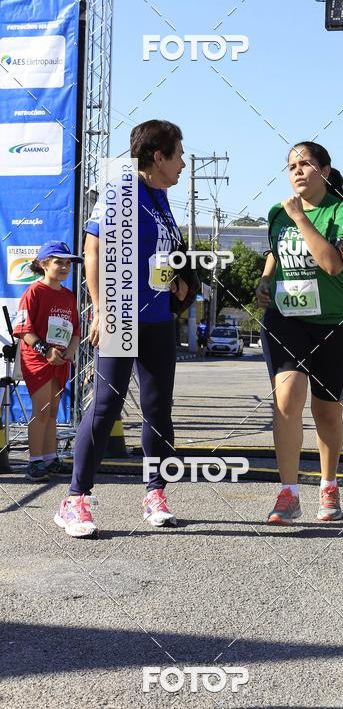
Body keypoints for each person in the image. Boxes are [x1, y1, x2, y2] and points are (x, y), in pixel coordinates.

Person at [54, 120, 188, 538]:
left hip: (158, 318)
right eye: (179, 154)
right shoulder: (120, 191)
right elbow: (93, 249)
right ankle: (75, 499)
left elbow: (166, 254)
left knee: (157, 409)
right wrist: (101, 308)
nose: (184, 163)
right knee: (106, 407)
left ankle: (155, 492)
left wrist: (182, 280)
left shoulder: (162, 197)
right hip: (122, 315)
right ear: (158, 156)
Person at [257, 141, 343, 525]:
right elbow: (275, 251)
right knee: (286, 400)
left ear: (325, 171)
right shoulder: (276, 213)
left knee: (326, 412)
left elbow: (333, 265)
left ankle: (329, 484)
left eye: (306, 164)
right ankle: (288, 492)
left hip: (333, 323)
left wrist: (301, 219)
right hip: (286, 319)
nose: (297, 171)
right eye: (291, 166)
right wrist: (265, 279)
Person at [13, 242, 82, 481]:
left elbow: (75, 330)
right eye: (58, 262)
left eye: (67, 263)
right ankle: (34, 463)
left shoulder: (68, 295)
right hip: (39, 360)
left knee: (53, 412)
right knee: (41, 411)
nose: (64, 267)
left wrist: (69, 352)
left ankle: (50, 459)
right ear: (44, 264)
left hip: (60, 360)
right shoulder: (34, 291)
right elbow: (23, 329)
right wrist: (46, 350)